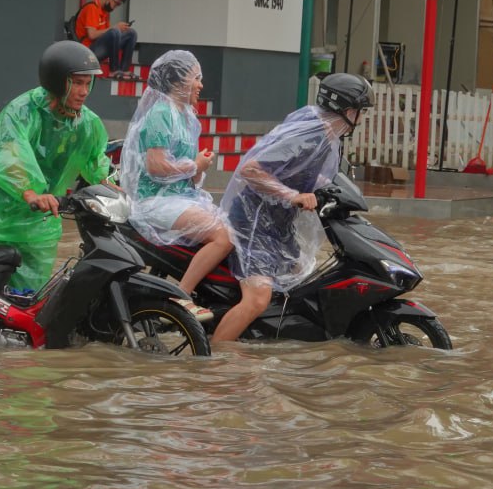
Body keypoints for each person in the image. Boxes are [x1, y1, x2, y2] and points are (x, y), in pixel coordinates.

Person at [212, 73, 374, 343]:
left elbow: (301, 171)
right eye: (361, 112)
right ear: (347, 111)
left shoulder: (323, 133)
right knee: (258, 298)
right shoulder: (309, 134)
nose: (361, 118)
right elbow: (251, 169)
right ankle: (215, 358)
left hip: (277, 224)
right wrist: (292, 195)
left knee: (302, 276)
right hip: (253, 224)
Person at [0, 41, 113, 291]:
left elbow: (96, 162)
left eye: (87, 83)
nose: (84, 91)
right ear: (58, 82)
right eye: (77, 83)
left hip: (41, 219)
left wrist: (114, 188)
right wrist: (30, 192)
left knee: (30, 299)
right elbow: (7, 155)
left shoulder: (88, 124)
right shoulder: (22, 111)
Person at [120, 50, 231, 322]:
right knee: (222, 237)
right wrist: (195, 166)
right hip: (155, 201)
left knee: (235, 229)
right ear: (179, 82)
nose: (201, 85)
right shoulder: (160, 113)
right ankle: (181, 295)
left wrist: (198, 168)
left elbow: (184, 171)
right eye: (197, 78)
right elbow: (156, 166)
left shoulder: (188, 115)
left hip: (180, 198)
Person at [75, 0, 138, 79]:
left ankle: (124, 70)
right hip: (88, 51)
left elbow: (108, 35)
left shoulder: (104, 12)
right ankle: (114, 70)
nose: (115, 7)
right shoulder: (92, 8)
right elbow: (92, 35)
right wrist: (115, 27)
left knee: (131, 33)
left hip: (99, 47)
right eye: (116, 3)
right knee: (114, 31)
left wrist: (120, 29)